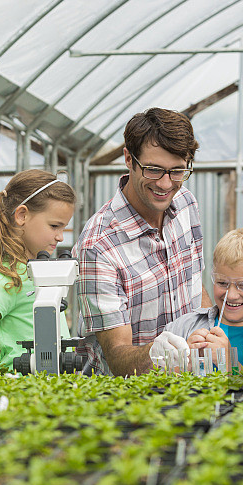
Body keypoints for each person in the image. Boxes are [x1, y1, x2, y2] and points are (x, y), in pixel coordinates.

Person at [75, 107, 211, 376]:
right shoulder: (99, 245)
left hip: (190, 382)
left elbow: (195, 282)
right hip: (124, 396)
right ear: (128, 158)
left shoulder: (185, 204)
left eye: (177, 171)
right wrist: (157, 354)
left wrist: (213, 332)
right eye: (153, 170)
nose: (165, 184)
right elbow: (116, 357)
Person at [0, 170, 76, 368]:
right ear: (22, 215)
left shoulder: (36, 273)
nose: (60, 237)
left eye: (63, 228)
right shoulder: (3, 279)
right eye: (55, 226)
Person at [164, 228, 243, 371]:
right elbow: (152, 381)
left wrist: (229, 362)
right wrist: (183, 363)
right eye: (222, 283)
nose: (231, 295)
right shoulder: (182, 327)